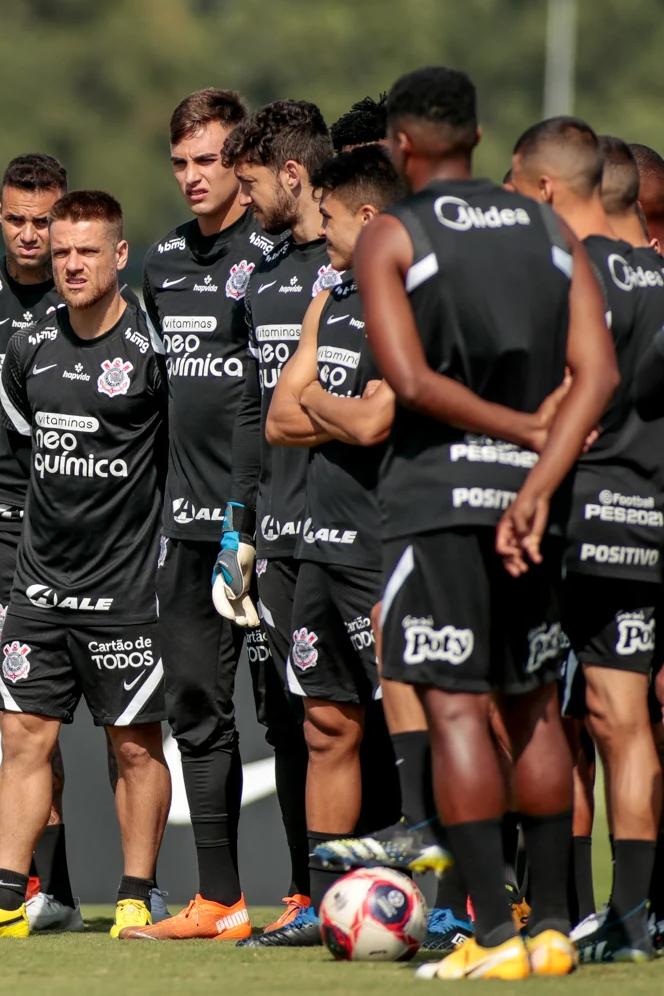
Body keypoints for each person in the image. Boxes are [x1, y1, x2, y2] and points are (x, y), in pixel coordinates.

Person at [360, 66, 617, 980]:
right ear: (476, 138)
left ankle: (496, 939)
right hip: (531, 506)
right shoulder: (551, 229)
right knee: (536, 704)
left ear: (402, 146)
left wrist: (509, 429)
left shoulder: (393, 232)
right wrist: (540, 474)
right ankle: (551, 930)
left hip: (436, 500)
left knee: (459, 708)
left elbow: (413, 382)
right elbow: (598, 377)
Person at [0, 190, 172, 942]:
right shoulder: (30, 345)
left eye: (87, 250)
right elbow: (17, 454)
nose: (70, 263)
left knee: (133, 743)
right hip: (39, 580)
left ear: (118, 255)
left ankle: (137, 894)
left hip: (127, 584)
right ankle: (6, 896)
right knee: (24, 735)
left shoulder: (150, 348)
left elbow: (179, 458)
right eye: (62, 251)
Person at [151, 98, 341, 943]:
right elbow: (201, 400)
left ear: (248, 166)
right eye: (180, 160)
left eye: (210, 160)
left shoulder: (286, 253)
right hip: (198, 527)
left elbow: (258, 399)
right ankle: (220, 895)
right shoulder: (159, 262)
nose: (193, 176)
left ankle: (310, 888)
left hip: (283, 525)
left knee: (295, 711)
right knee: (195, 704)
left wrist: (251, 518)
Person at [510, 119, 664, 962]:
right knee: (625, 720)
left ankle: (557, 914)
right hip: (646, 522)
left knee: (541, 718)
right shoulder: (662, 279)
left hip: (570, 516)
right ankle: (633, 919)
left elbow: (566, 390)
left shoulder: (578, 274)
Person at [246, 145, 406, 947]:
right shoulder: (328, 297)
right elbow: (280, 417)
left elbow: (379, 422)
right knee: (323, 727)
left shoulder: (406, 302)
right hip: (319, 547)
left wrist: (320, 398)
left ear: (370, 220)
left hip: (386, 548)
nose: (323, 230)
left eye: (334, 218)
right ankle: (323, 900)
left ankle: (461, 900)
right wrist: (338, 403)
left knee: (420, 731)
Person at [0, 153, 86, 932]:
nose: (33, 235)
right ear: (1, 216)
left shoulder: (94, 296)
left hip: (88, 535)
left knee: (122, 729)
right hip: (1, 530)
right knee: (19, 717)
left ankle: (135, 888)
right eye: (19, 219)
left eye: (47, 220)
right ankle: (44, 891)